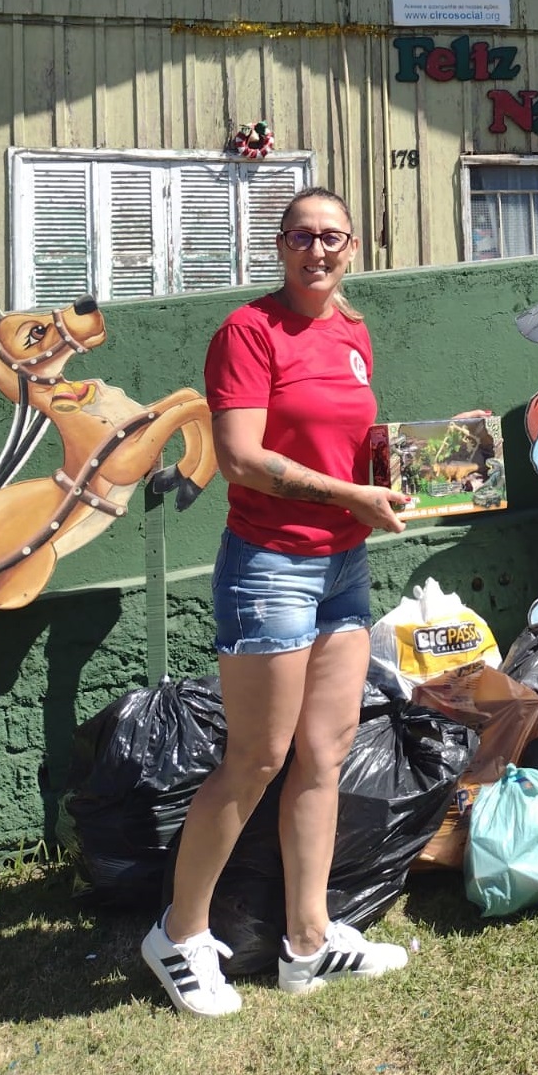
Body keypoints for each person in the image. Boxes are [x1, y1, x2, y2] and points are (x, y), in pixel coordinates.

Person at [142, 186, 411, 1015]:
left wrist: (398, 480)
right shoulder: (248, 331)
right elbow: (241, 458)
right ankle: (179, 935)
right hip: (270, 567)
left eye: (332, 236)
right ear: (280, 245)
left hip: (344, 564)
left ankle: (306, 940)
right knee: (255, 758)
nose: (317, 250)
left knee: (322, 757)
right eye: (302, 236)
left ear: (353, 245)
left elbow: (349, 439)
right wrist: (348, 496)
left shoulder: (353, 332)